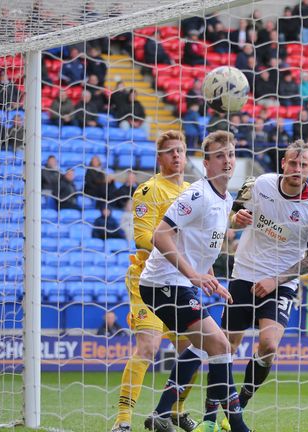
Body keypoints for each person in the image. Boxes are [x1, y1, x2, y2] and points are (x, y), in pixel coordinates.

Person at [139, 131, 251, 432]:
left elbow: (200, 246)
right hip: (162, 282)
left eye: (230, 154)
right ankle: (236, 425)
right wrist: (193, 276)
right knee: (219, 344)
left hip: (179, 283)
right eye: (219, 156)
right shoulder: (197, 195)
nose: (226, 160)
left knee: (206, 346)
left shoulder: (225, 198)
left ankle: (162, 413)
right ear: (206, 164)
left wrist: (211, 278)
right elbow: (160, 235)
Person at [224, 140, 308, 411]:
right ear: (283, 163)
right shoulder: (260, 184)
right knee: (226, 346)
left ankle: (240, 402)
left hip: (281, 281)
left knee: (269, 345)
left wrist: (276, 280)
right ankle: (213, 408)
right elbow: (233, 214)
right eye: (292, 163)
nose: (297, 169)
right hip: (244, 272)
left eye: (303, 165)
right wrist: (237, 221)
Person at [111, 131, 198, 432]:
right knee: (147, 347)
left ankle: (174, 411)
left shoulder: (192, 192)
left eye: (181, 151)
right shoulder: (149, 191)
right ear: (159, 158)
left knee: (194, 348)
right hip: (147, 281)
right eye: (170, 151)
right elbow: (141, 237)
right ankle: (123, 422)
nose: (176, 155)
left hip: (179, 281)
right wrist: (177, 251)